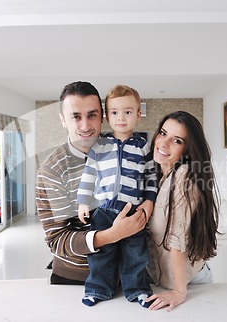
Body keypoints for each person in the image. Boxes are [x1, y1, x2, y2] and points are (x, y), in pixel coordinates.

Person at [36, 81, 147, 285]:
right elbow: (57, 240)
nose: (85, 126)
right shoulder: (52, 170)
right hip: (77, 278)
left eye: (92, 115)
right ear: (63, 120)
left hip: (131, 276)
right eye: (76, 117)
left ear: (103, 117)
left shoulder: (127, 149)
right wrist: (110, 235)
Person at [77, 85, 157, 307]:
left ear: (138, 114)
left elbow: (151, 176)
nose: (121, 117)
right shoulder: (99, 145)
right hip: (103, 209)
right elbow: (89, 173)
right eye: (114, 112)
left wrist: (149, 202)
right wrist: (83, 201)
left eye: (128, 112)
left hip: (133, 211)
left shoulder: (143, 146)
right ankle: (98, 289)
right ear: (106, 116)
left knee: (136, 254)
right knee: (101, 254)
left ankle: (137, 290)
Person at [145, 111, 220, 311]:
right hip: (160, 280)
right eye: (163, 133)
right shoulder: (156, 174)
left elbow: (176, 237)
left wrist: (179, 291)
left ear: (187, 150)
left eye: (176, 140)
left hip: (186, 284)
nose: (163, 143)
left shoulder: (184, 177)